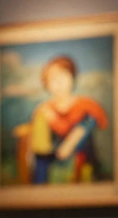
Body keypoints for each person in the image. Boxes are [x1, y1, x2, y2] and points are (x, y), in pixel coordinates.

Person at [16, 55, 109, 185]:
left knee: (87, 123)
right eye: (53, 79)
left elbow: (94, 121)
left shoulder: (85, 105)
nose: (59, 83)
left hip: (81, 156)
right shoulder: (44, 109)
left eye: (63, 76)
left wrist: (70, 142)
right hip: (51, 157)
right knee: (41, 158)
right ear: (46, 84)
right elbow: (38, 140)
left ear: (72, 77)